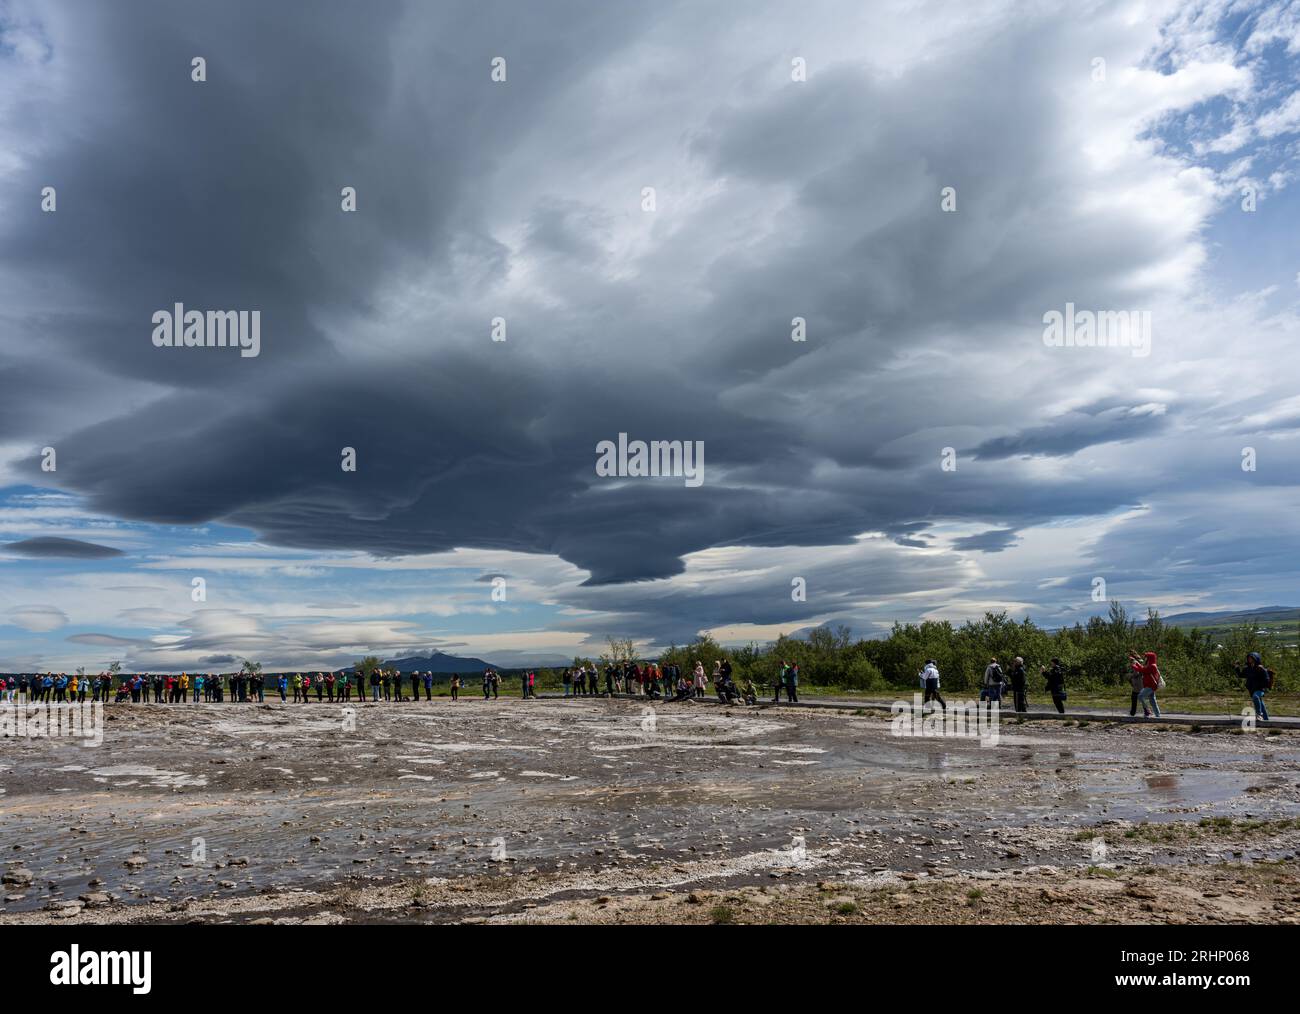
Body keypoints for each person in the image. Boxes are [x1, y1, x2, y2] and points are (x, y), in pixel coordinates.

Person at [1236, 652, 1273, 721]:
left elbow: (1266, 678)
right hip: (1252, 689)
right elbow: (1241, 675)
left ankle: (1259, 715)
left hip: (1260, 689)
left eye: (1251, 658)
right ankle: (1266, 720)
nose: (1249, 659)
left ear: (1256, 658)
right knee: (1260, 704)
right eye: (1249, 658)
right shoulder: (1247, 669)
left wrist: (1262, 685)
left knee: (1255, 697)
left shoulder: (1260, 668)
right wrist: (1237, 667)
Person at [1127, 651, 1161, 718]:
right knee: (1152, 701)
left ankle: (1148, 711)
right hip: (1149, 685)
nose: (1145, 658)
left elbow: (1142, 670)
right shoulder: (1150, 665)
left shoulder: (1152, 666)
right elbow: (1143, 668)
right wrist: (1136, 663)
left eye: (1146, 657)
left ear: (1149, 658)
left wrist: (1134, 665)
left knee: (1140, 696)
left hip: (1150, 685)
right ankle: (1157, 715)